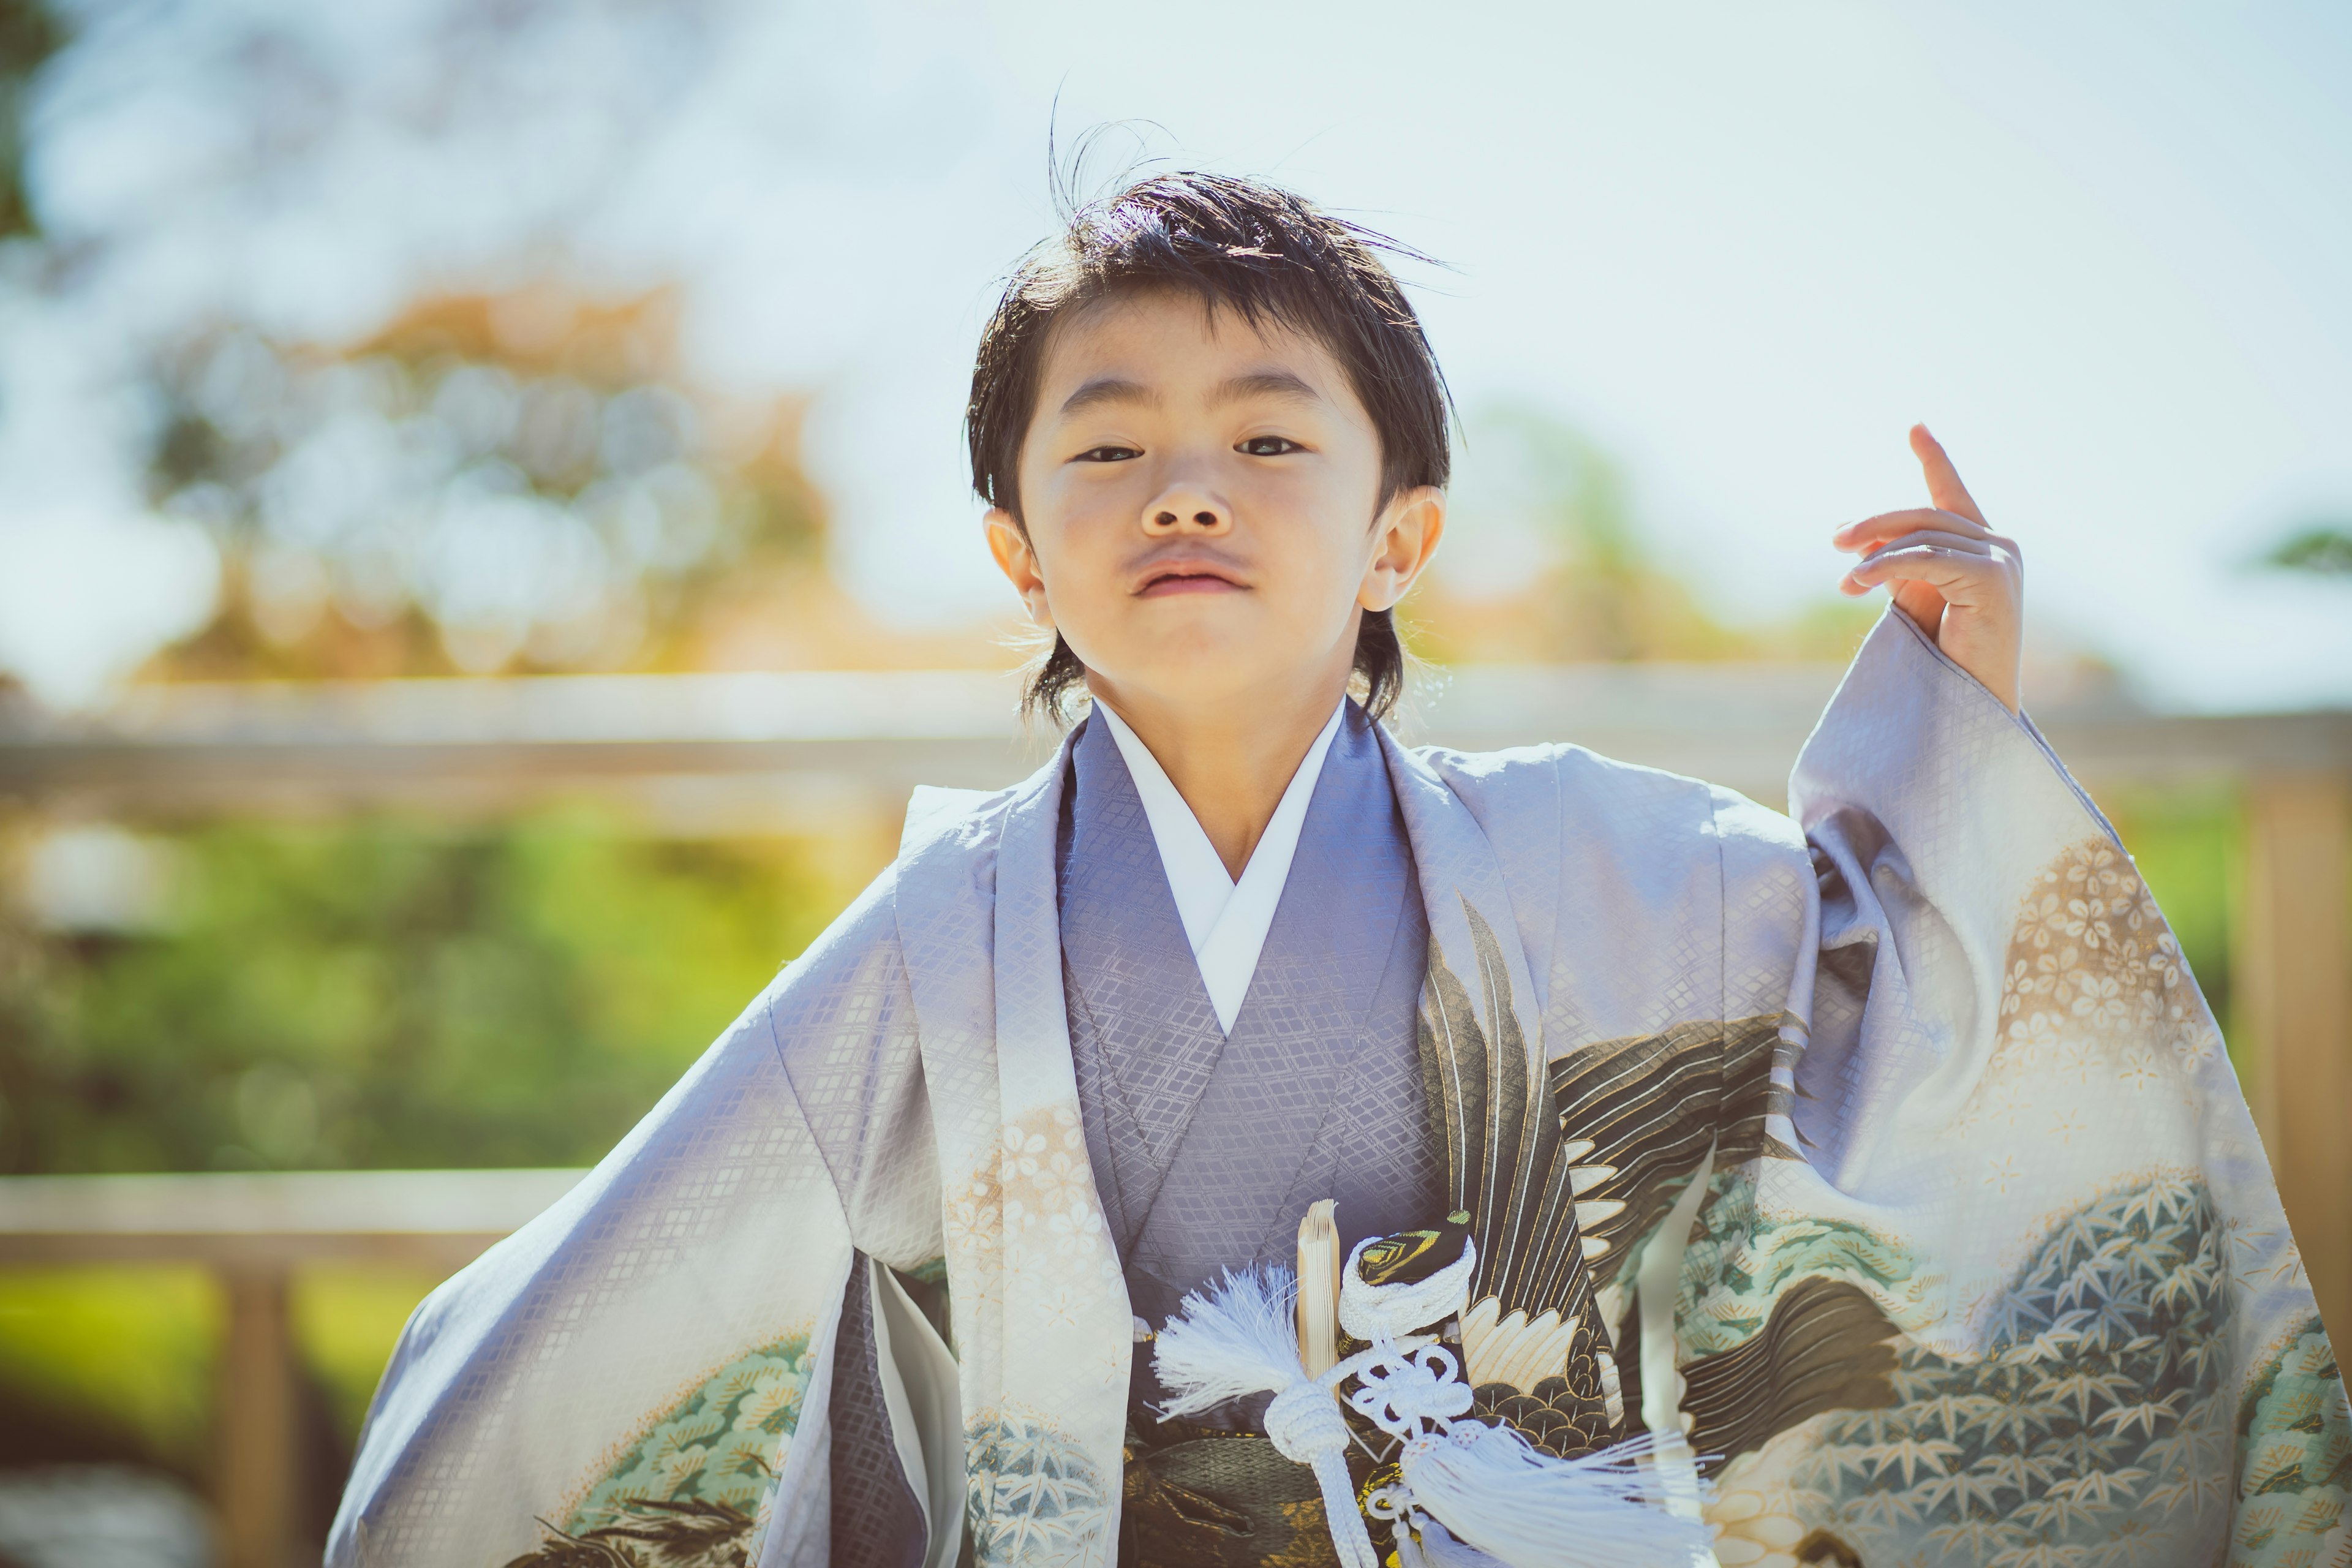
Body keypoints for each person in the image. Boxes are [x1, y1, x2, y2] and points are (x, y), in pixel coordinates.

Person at [330, 173, 2346, 1568]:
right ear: (1019, 552)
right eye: (1104, 446)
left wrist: (1958, 744)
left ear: (1405, 536)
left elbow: (1912, 1019)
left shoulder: (1595, 863)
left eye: (1273, 440)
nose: (1186, 481)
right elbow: (624, 1303)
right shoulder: (947, 939)